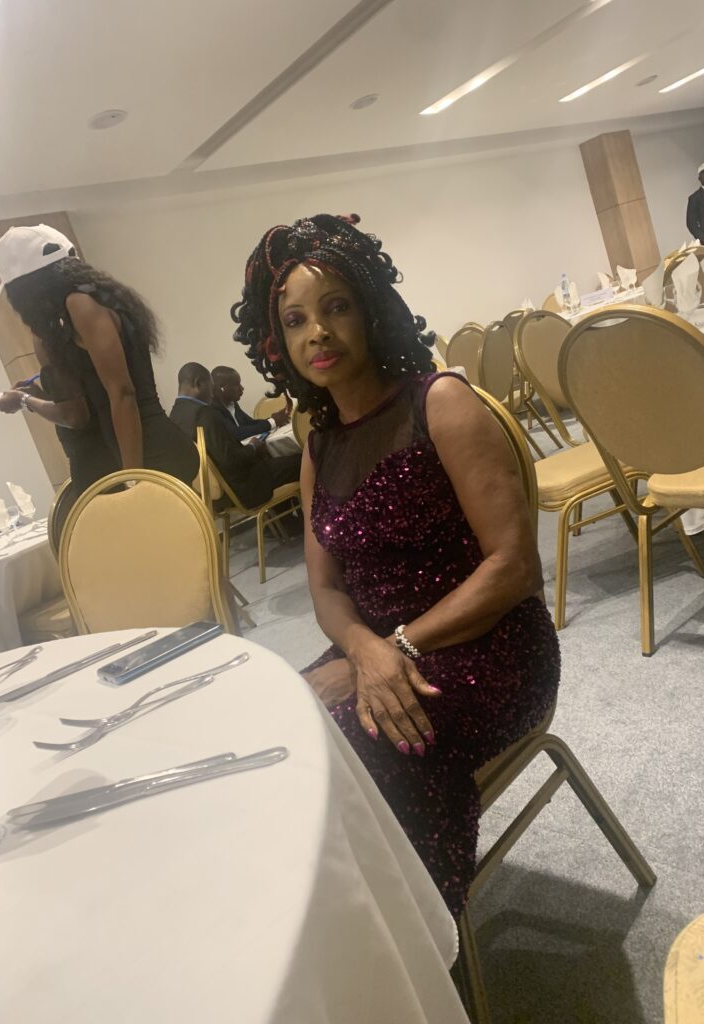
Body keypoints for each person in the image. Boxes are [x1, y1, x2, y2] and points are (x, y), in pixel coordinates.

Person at [231, 214, 560, 918]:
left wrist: (396, 649)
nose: (317, 333)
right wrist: (363, 651)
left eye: (336, 307)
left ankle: (419, 947)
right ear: (277, 343)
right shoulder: (319, 447)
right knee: (274, 731)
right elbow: (325, 588)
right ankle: (321, 927)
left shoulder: (439, 402)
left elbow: (513, 568)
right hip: (377, 649)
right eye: (295, 320)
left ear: (371, 307)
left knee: (364, 747)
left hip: (492, 648)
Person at [0, 224, 199, 485]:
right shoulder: (98, 298)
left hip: (149, 457)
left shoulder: (79, 304)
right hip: (152, 450)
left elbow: (122, 392)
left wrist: (132, 478)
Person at [0, 337, 118, 502]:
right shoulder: (77, 345)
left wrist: (23, 399)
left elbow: (74, 416)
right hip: (107, 448)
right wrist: (40, 398)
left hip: (94, 461)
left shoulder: (49, 344)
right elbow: (75, 405)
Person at [169, 362, 300, 507]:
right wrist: (253, 447)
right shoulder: (204, 414)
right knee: (301, 461)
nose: (212, 394)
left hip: (216, 495)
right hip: (243, 487)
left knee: (276, 462)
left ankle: (287, 519)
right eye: (211, 387)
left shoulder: (174, 416)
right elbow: (230, 460)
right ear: (198, 383)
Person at [210, 365, 291, 441]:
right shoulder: (212, 409)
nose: (242, 388)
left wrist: (274, 419)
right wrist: (273, 422)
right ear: (222, 387)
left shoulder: (231, 403)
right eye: (237, 384)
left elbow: (250, 423)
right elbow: (237, 434)